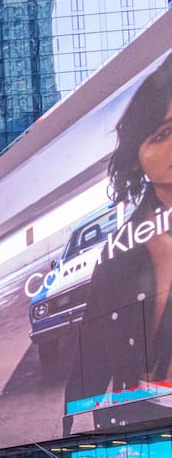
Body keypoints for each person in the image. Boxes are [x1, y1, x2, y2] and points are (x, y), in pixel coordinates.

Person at [65, 52, 172, 432]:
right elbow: (89, 360)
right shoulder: (117, 251)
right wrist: (70, 431)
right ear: (137, 155)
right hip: (132, 426)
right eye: (162, 133)